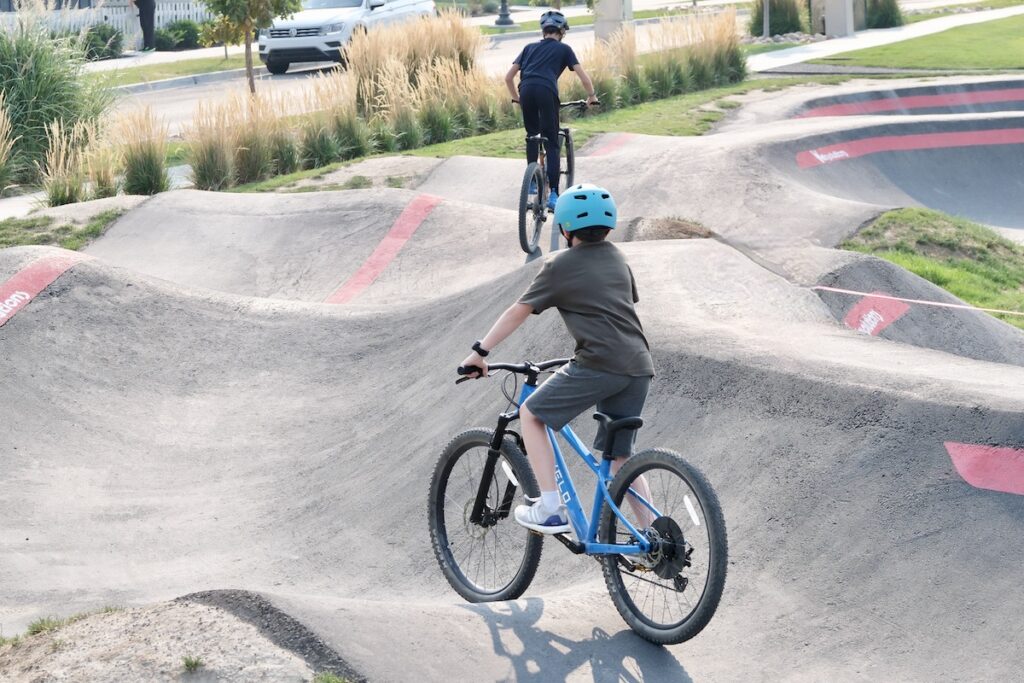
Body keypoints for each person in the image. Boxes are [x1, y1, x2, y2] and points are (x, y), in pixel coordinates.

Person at [459, 184, 655, 533]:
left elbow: (518, 312)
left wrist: (480, 352)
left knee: (531, 413)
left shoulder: (559, 265)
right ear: (609, 226)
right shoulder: (619, 259)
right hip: (639, 365)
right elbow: (614, 312)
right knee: (618, 459)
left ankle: (550, 508)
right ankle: (656, 538)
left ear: (565, 228)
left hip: (599, 362)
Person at [505, 11, 598, 212]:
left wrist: (517, 98)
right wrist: (592, 96)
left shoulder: (528, 48)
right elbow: (583, 77)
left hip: (526, 89)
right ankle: (554, 194)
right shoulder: (565, 49)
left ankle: (531, 182)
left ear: (543, 30)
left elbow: (508, 77)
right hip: (547, 91)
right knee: (552, 142)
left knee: (532, 135)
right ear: (562, 31)